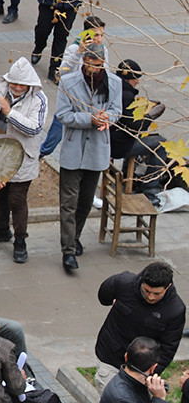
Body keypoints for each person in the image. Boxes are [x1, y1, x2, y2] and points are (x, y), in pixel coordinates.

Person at [56, 42, 121, 272]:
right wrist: (89, 120)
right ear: (84, 62)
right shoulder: (67, 82)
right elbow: (63, 115)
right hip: (73, 151)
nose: (97, 70)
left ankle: (75, 236)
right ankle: (68, 251)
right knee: (68, 203)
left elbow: (117, 111)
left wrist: (106, 119)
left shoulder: (114, 82)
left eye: (100, 65)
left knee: (84, 202)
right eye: (93, 65)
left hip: (97, 151)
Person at [0, 58, 48, 263]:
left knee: (17, 199)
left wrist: (9, 112)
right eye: (13, 83)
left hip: (22, 157)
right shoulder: (0, 89)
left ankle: (20, 240)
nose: (16, 87)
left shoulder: (39, 99)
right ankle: (0, 228)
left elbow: (34, 128)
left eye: (20, 84)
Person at [96, 262, 185, 373]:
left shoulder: (175, 310)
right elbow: (104, 296)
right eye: (146, 291)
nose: (151, 297)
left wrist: (151, 373)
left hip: (141, 369)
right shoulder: (123, 283)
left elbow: (168, 348)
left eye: (157, 294)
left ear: (168, 287)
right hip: (109, 357)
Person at [99, 338, 175, 403]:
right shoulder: (124, 399)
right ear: (153, 368)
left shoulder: (128, 383)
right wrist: (159, 398)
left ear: (126, 357)